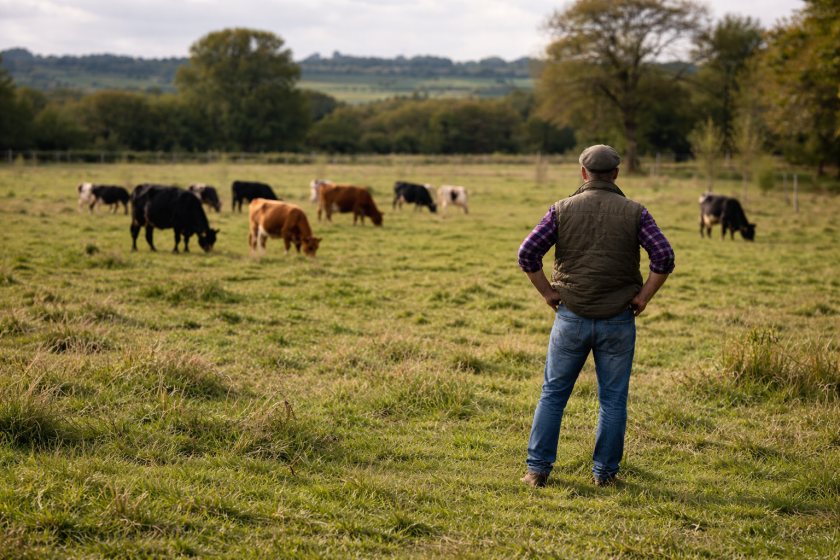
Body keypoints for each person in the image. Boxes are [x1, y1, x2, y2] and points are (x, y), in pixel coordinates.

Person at [518, 144, 675, 488]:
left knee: (553, 394)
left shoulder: (561, 209)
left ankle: (537, 471)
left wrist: (548, 292)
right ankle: (605, 475)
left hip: (570, 315)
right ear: (616, 174)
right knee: (613, 400)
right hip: (619, 318)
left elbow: (527, 253)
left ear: (583, 173)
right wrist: (644, 297)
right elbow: (663, 257)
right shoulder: (636, 212)